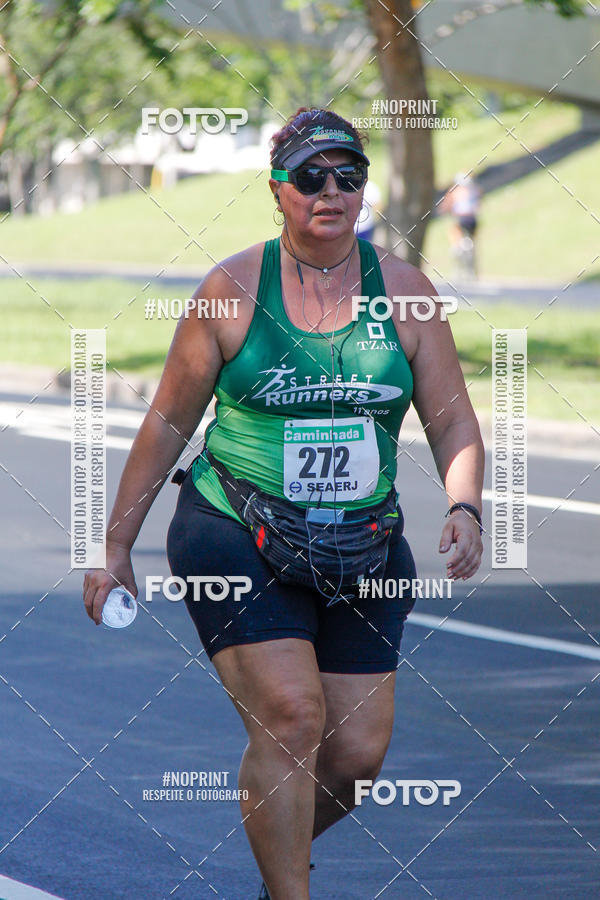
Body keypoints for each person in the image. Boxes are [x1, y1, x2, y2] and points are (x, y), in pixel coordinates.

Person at [84, 107, 484, 900]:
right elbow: (168, 422)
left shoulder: (405, 293)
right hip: (236, 532)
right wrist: (116, 547)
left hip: (366, 543)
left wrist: (465, 506)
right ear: (278, 190)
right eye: (310, 177)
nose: (330, 191)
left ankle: (278, 869)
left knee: (356, 755)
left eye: (348, 176)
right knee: (294, 719)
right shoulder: (231, 291)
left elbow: (452, 419)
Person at [440, 172, 481, 275]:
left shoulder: (455, 192)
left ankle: (459, 268)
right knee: (470, 244)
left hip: (463, 220)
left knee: (457, 246)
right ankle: (470, 269)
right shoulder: (475, 190)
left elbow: (445, 207)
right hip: (470, 220)